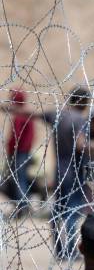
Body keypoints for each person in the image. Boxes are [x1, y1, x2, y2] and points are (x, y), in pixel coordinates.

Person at [38, 86, 90, 260]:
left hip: (59, 169)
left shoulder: (58, 115)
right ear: (83, 102)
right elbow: (80, 145)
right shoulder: (79, 119)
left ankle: (60, 249)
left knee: (58, 210)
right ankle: (70, 250)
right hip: (74, 171)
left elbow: (32, 113)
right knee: (72, 211)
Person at [6, 89, 36, 217]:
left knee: (19, 180)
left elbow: (16, 137)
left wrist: (10, 149)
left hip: (19, 153)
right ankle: (22, 206)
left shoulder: (19, 117)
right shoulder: (26, 114)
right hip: (24, 152)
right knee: (21, 179)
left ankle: (22, 208)